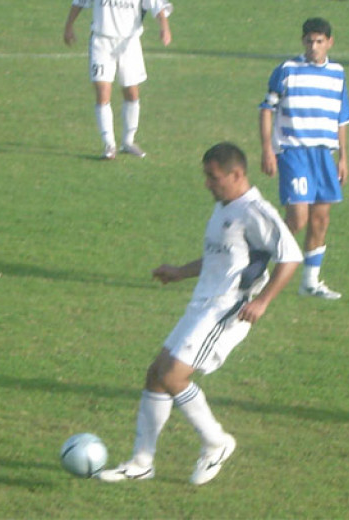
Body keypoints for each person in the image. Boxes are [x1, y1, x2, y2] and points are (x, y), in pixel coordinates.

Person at [98, 142, 303, 485]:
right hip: (203, 303)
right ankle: (141, 462)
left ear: (237, 175)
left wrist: (263, 301)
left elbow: (291, 256)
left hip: (228, 307)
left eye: (213, 177)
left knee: (173, 376)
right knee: (156, 374)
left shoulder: (255, 211)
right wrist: (180, 271)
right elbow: (221, 258)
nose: (207, 184)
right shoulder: (224, 207)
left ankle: (216, 442)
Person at [259, 17, 349, 300]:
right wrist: (267, 149)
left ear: (329, 43)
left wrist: (343, 157)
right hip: (294, 152)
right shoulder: (287, 70)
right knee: (297, 219)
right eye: (309, 41)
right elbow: (266, 110)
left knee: (320, 219)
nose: (314, 47)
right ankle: (257, 266)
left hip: (324, 155)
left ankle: (310, 282)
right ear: (303, 41)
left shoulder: (337, 74)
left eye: (319, 42)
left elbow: (341, 119)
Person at [64, 0, 172, 160]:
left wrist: (164, 27)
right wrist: (69, 26)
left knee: (131, 92)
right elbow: (81, 0)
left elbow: (158, 5)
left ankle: (128, 141)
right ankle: (109, 145)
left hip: (129, 44)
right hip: (102, 41)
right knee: (103, 91)